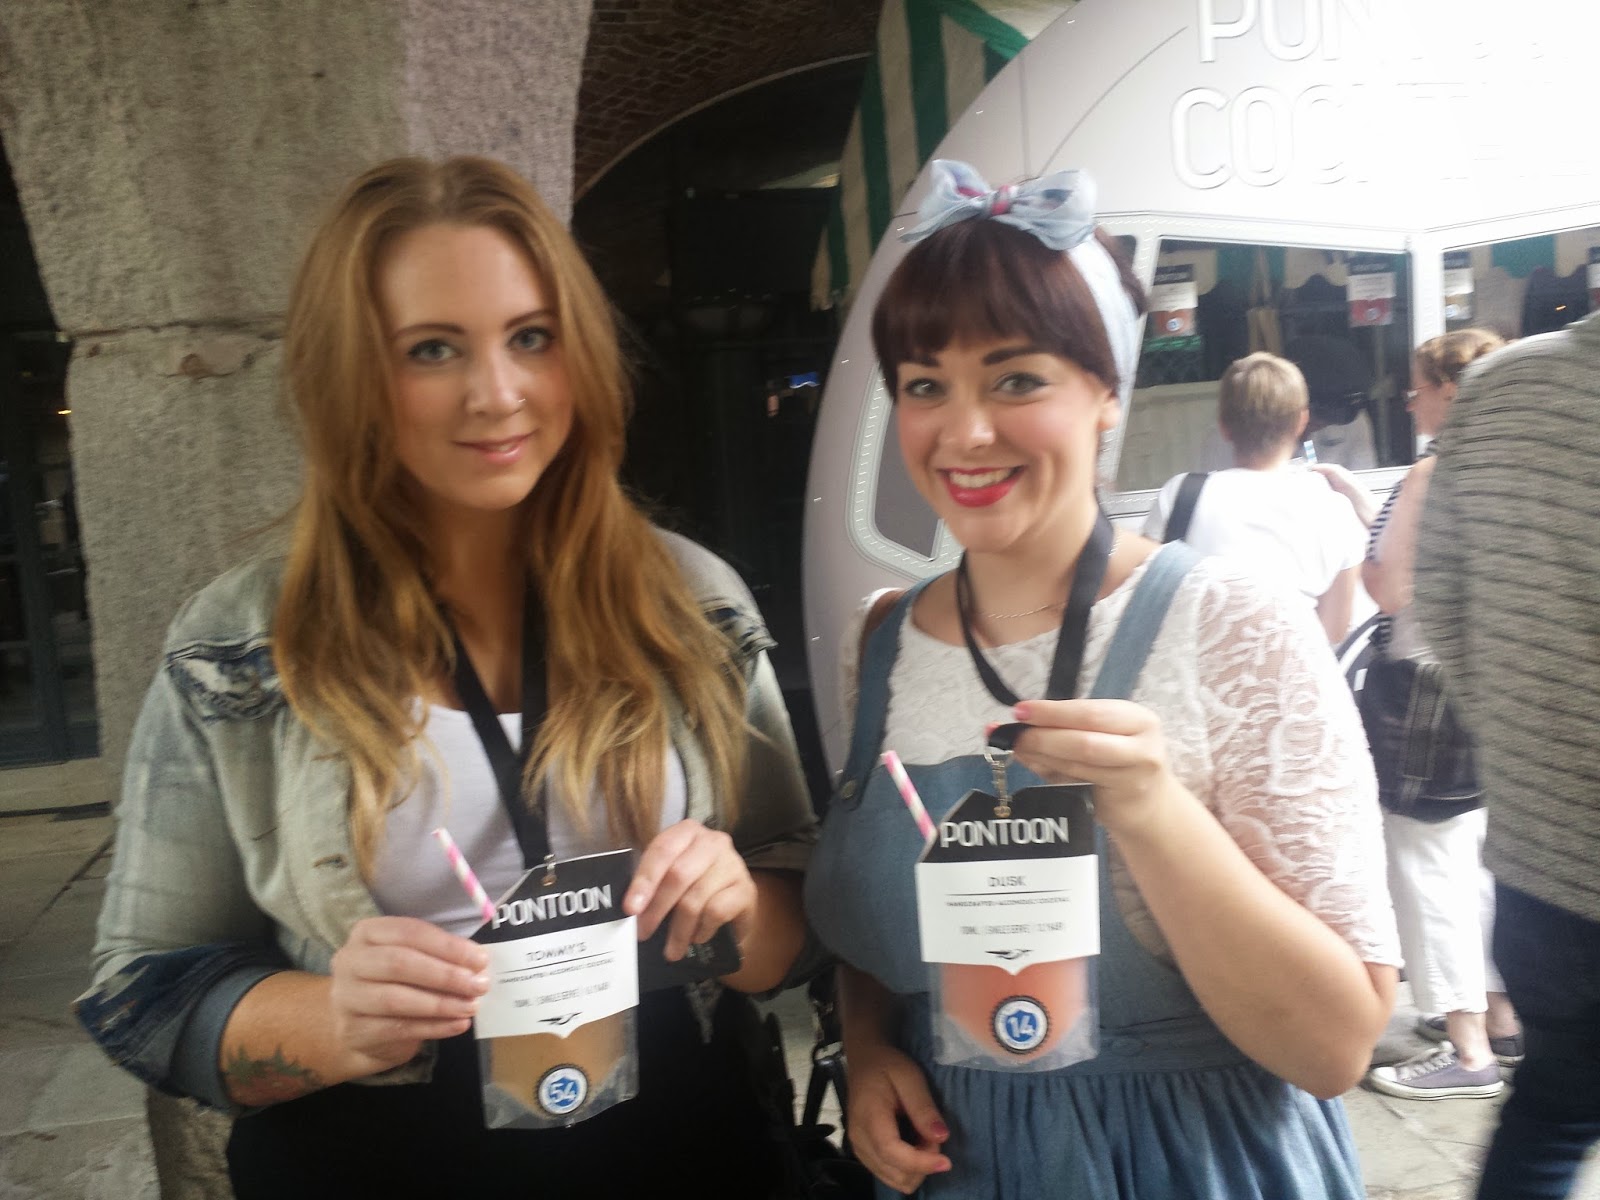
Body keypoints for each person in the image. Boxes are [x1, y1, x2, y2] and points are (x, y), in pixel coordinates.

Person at [74, 156, 817, 1196]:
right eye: (432, 349)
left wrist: (736, 907)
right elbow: (140, 994)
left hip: (685, 1149)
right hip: (371, 1162)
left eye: (531, 337)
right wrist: (333, 1019)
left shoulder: (690, 602)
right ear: (351, 381)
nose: (497, 393)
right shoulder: (242, 643)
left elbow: (794, 930)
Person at [805, 160, 1399, 1199]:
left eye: (1015, 379)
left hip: (1194, 1162)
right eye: (925, 384)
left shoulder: (1231, 623)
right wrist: (868, 1046)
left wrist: (1154, 812)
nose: (964, 431)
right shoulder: (884, 639)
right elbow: (872, 924)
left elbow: (1336, 1046)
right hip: (959, 1163)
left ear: (1107, 394)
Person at [1415, 310, 1600, 1200]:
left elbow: (1439, 597)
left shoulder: (1500, 387)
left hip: (1542, 871)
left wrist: (1526, 736)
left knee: (1551, 1112)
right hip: (1543, 860)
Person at [1360, 329, 1522, 1103]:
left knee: (1428, 868)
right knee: (1475, 861)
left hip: (1422, 690)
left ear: (1450, 393)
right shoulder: (1512, 467)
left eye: (1419, 386)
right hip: (1487, 682)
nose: (1408, 399)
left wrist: (1368, 551)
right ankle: (1501, 1018)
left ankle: (1466, 1047)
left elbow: (1391, 589)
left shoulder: (1434, 471)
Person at [1141, 351, 1368, 643]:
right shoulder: (1334, 508)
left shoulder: (1179, 495)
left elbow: (1143, 602)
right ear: (1302, 421)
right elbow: (1333, 631)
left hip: (1195, 667)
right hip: (1292, 669)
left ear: (1223, 425)